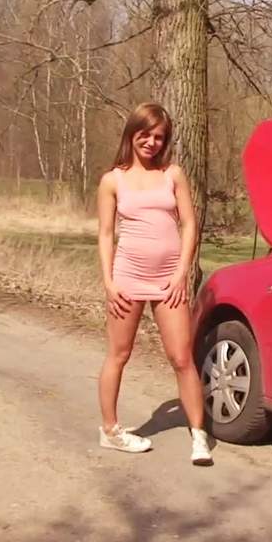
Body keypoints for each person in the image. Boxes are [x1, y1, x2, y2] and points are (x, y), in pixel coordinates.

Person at [95, 102, 212, 466]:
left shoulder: (172, 174)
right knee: (119, 354)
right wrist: (109, 282)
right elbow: (105, 234)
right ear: (132, 134)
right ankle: (110, 430)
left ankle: (199, 436)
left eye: (159, 137)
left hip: (169, 281)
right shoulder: (112, 180)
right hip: (127, 278)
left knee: (181, 357)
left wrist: (181, 273)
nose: (151, 142)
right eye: (145, 134)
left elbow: (189, 225)